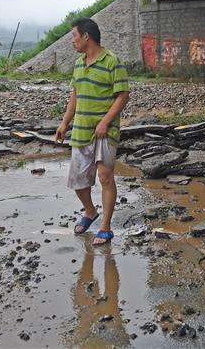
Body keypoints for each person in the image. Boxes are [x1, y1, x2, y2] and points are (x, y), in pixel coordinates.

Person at [55, 18, 129, 246]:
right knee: (79, 180)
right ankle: (90, 212)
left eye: (74, 37)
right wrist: (64, 123)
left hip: (105, 132)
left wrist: (106, 121)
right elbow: (75, 96)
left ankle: (105, 228)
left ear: (86, 36)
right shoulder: (78, 64)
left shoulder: (112, 61)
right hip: (81, 130)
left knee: (105, 177)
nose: (73, 42)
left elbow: (123, 95)